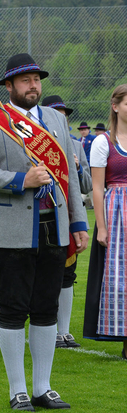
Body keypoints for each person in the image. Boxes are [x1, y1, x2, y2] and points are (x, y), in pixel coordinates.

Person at [0, 53, 89, 411]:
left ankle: (43, 387)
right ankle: (17, 389)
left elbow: (66, 173)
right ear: (9, 86)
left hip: (55, 226)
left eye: (36, 79)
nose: (33, 85)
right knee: (13, 307)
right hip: (12, 227)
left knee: (45, 308)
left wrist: (79, 223)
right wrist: (21, 180)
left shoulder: (53, 118)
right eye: (25, 80)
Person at [41, 95, 92, 349]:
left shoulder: (76, 145)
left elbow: (87, 185)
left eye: (64, 114)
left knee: (67, 275)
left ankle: (64, 330)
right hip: (46, 215)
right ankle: (47, 327)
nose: (61, 117)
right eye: (55, 112)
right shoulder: (36, 145)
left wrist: (78, 169)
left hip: (70, 215)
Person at [84, 84, 127, 359]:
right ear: (116, 106)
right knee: (120, 278)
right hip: (117, 212)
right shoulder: (104, 142)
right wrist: (101, 225)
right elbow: (97, 188)